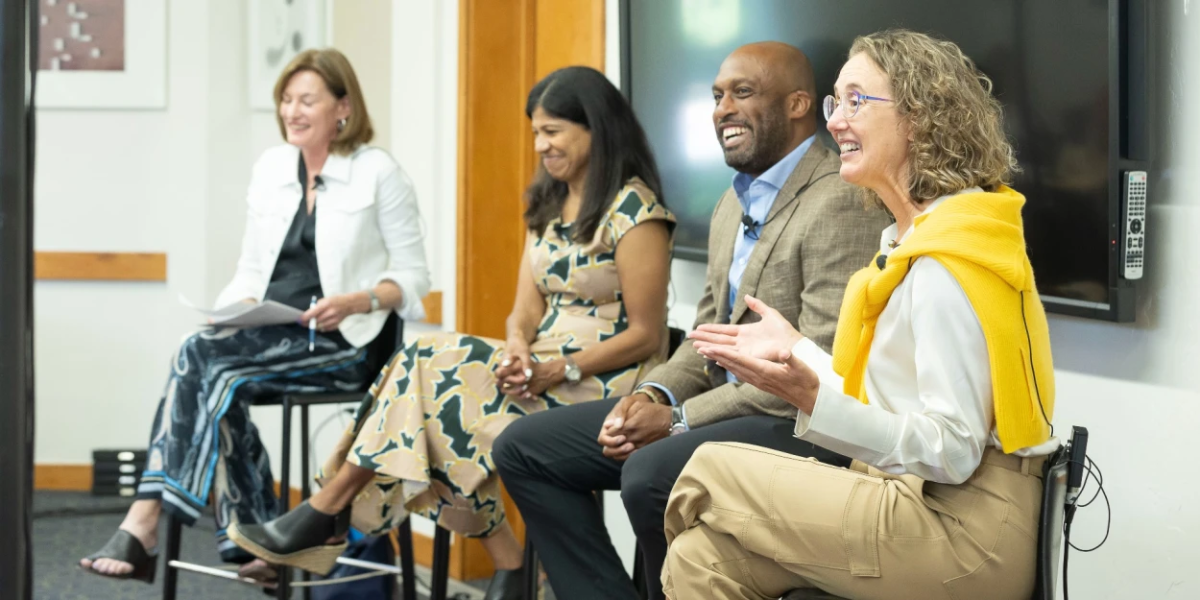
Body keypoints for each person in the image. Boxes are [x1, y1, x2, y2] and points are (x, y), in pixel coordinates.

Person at [227, 65, 676, 600]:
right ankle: (507, 565)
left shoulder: (636, 210)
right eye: (535, 131)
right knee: (426, 405)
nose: (540, 145)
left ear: (596, 129)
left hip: (609, 381)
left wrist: (557, 368)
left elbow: (648, 336)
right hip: (539, 369)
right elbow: (523, 313)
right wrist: (515, 350)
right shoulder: (551, 204)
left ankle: (328, 509)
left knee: (427, 383)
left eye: (552, 132)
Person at [667, 29, 1060, 600]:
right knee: (699, 557)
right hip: (916, 500)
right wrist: (795, 348)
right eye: (835, 102)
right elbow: (890, 399)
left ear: (919, 118)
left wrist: (810, 398)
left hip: (965, 533)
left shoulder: (944, 263)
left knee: (707, 469)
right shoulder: (914, 242)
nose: (834, 121)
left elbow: (951, 451)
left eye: (857, 101)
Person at [493, 42, 889, 600]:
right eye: (717, 95)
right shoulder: (734, 203)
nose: (722, 108)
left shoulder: (839, 199)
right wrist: (654, 394)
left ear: (800, 104)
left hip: (792, 420)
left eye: (742, 93)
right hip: (714, 409)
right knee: (523, 447)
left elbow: (815, 370)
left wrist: (678, 418)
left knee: (650, 470)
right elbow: (706, 332)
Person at [78, 48, 431, 585]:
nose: (292, 111)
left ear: (343, 107)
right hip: (273, 335)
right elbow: (250, 270)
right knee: (208, 367)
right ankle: (261, 537)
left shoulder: (377, 172)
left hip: (346, 344)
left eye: (306, 100)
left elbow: (413, 276)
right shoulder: (271, 169)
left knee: (201, 364)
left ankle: (147, 519)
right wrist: (235, 310)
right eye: (286, 100)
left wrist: (358, 300)